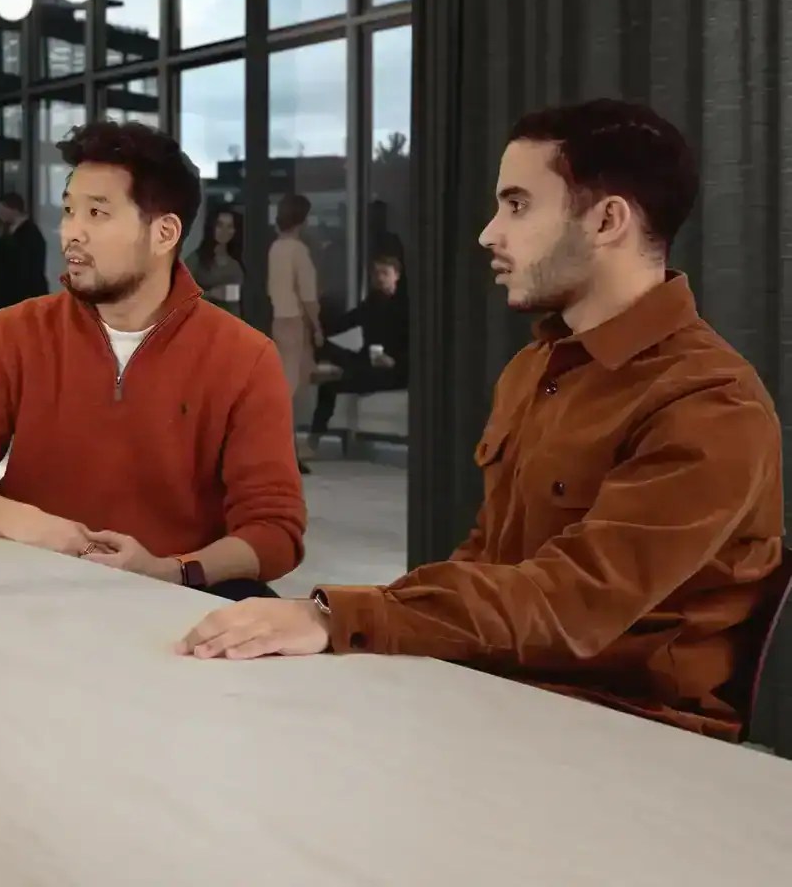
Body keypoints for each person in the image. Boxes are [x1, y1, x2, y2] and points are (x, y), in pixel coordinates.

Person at [179, 100, 785, 742]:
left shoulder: (710, 401)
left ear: (608, 220)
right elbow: (486, 561)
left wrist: (344, 617)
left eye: (518, 205)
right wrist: (345, 621)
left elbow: (572, 601)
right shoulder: (535, 368)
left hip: (630, 735)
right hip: (500, 692)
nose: (488, 233)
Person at [0, 120, 306, 601]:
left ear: (164, 233)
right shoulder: (15, 332)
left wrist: (170, 571)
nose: (71, 233)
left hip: (173, 614)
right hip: (27, 599)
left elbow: (274, 532)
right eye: (69, 211)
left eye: (97, 214)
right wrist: (32, 527)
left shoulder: (245, 358)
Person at [305, 252, 409, 454]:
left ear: (396, 275)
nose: (379, 278)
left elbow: (413, 347)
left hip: (392, 369)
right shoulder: (371, 304)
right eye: (376, 274)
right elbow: (343, 323)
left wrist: (393, 361)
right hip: (367, 361)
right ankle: (331, 370)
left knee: (331, 384)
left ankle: (332, 373)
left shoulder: (405, 310)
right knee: (327, 352)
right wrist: (316, 331)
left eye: (384, 273)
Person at [267, 194, 321, 471]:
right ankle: (285, 451)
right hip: (294, 319)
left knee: (285, 385)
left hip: (278, 318)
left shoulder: (275, 248)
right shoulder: (298, 250)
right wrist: (318, 327)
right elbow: (308, 294)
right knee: (291, 388)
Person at [0, 190, 49, 314]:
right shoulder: (13, 231)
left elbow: (25, 270)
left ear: (12, 209)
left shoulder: (29, 234)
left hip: (23, 296)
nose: (0, 214)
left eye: (2, 209)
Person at [191, 207, 244, 313]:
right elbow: (182, 295)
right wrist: (211, 294)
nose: (224, 231)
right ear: (212, 227)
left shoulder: (236, 264)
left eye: (229, 226)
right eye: (220, 225)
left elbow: (236, 302)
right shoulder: (196, 259)